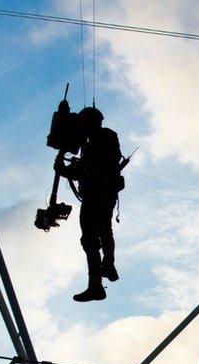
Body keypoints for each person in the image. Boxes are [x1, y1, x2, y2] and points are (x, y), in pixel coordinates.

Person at [54, 106, 122, 302]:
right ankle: (106, 268)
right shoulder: (102, 139)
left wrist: (63, 169)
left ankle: (97, 283)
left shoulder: (100, 141)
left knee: (91, 239)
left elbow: (85, 170)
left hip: (97, 194)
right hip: (103, 194)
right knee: (103, 231)